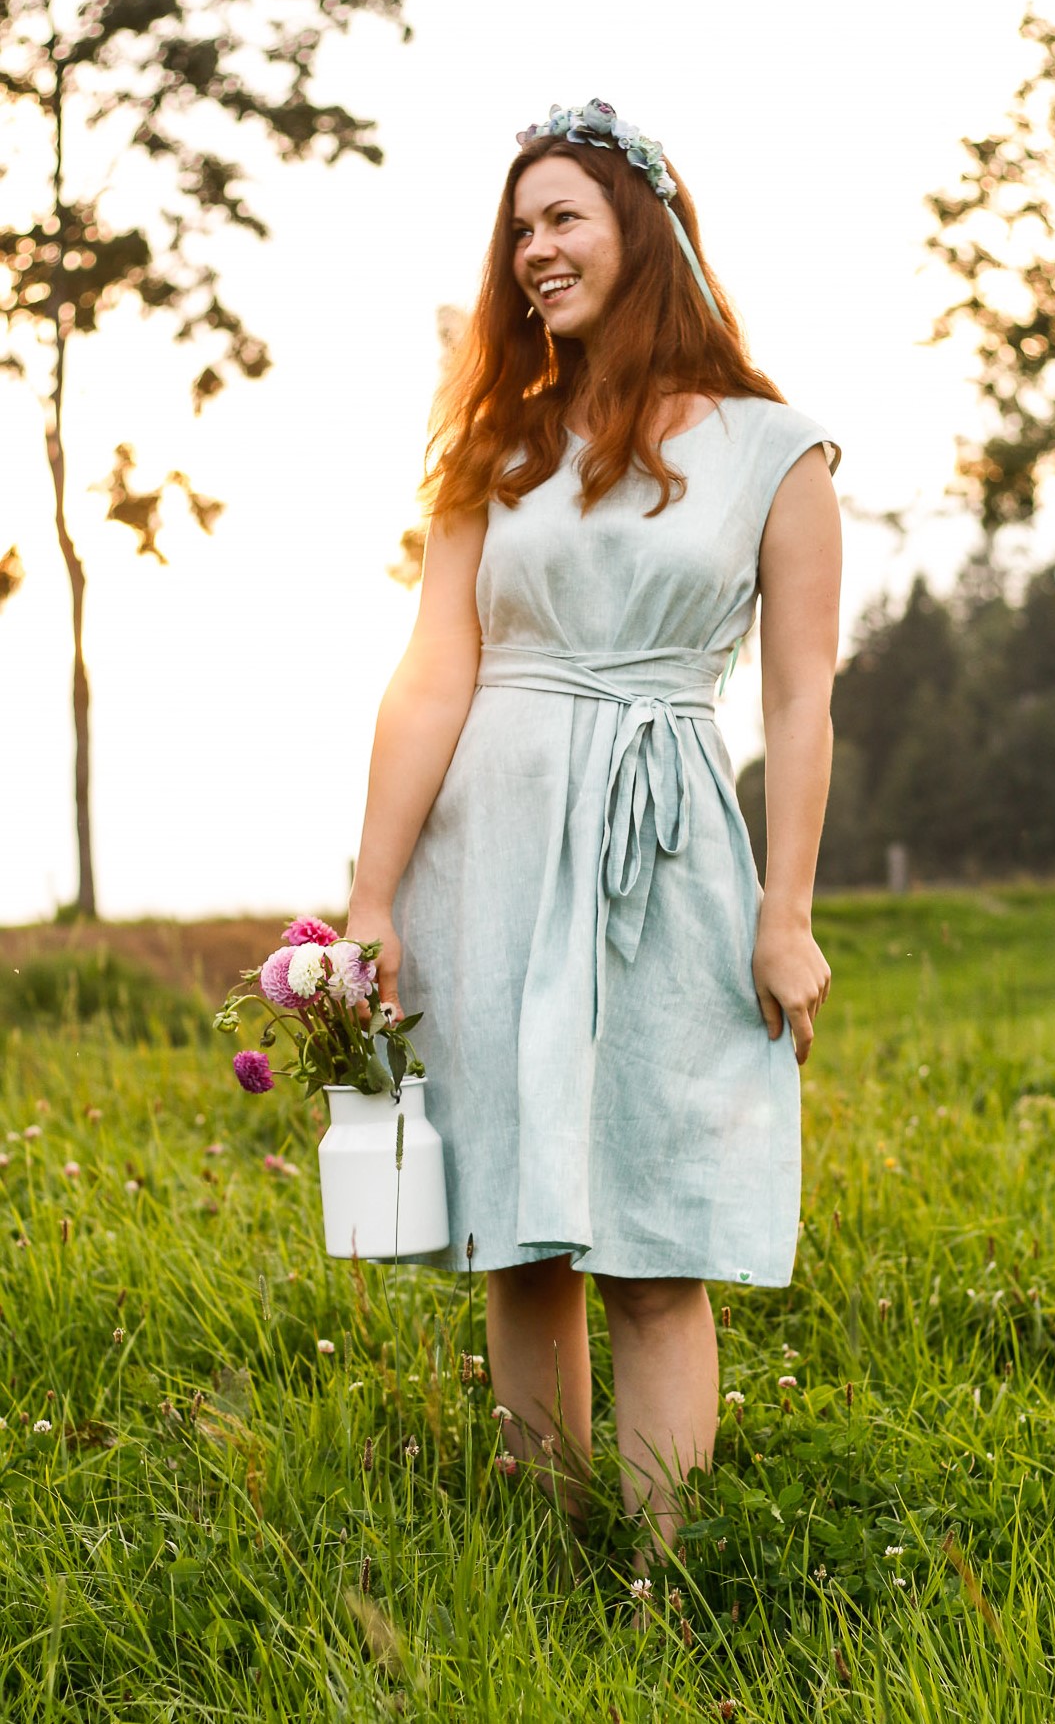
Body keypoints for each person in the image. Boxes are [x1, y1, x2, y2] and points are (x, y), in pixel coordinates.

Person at [347, 99, 842, 1559]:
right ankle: (549, 1554)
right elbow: (433, 669)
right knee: (519, 1226)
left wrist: (787, 907)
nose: (534, 250)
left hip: (668, 841)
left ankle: (659, 1577)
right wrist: (371, 894)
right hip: (487, 843)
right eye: (518, 229)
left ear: (646, 225)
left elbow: (803, 701)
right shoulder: (494, 443)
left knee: (652, 1217)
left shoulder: (775, 450)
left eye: (561, 216)